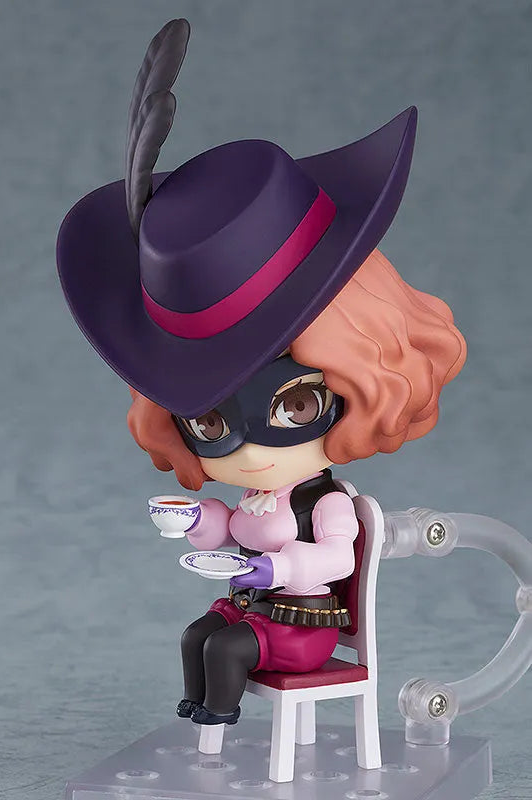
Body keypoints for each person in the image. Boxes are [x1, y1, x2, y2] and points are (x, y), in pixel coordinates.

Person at [57, 18, 466, 727]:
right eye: (210, 422)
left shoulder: (324, 505)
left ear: (358, 386)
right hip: (249, 607)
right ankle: (200, 723)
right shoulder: (255, 497)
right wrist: (199, 522)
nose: (246, 453)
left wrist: (279, 569)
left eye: (294, 408)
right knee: (199, 637)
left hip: (301, 627)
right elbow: (229, 532)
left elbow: (336, 562)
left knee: (225, 649)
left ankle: (218, 722)